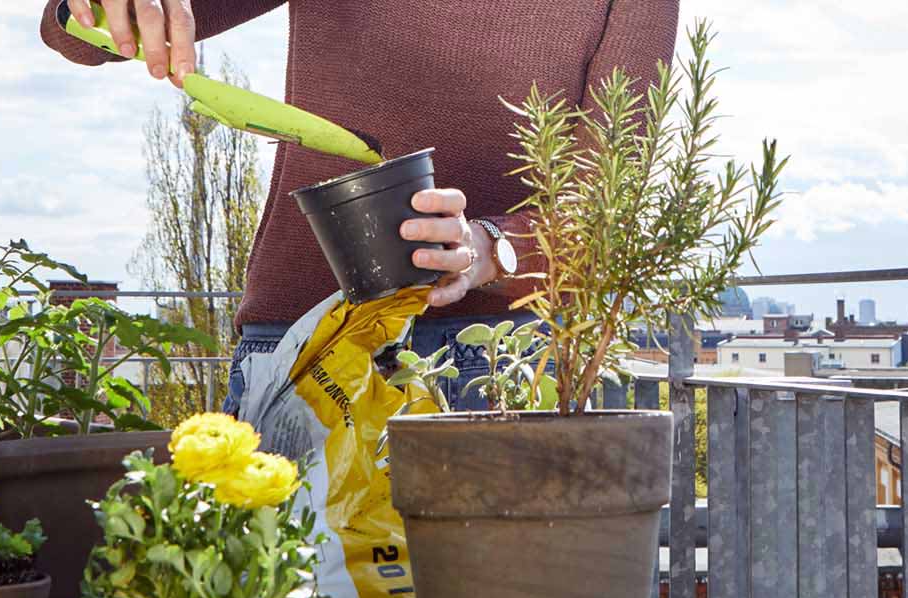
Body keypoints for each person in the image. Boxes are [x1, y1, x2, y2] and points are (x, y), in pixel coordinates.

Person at [40, 0, 680, 412]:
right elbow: (73, 33)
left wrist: (488, 247)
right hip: (305, 334)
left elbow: (610, 204)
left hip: (504, 360)